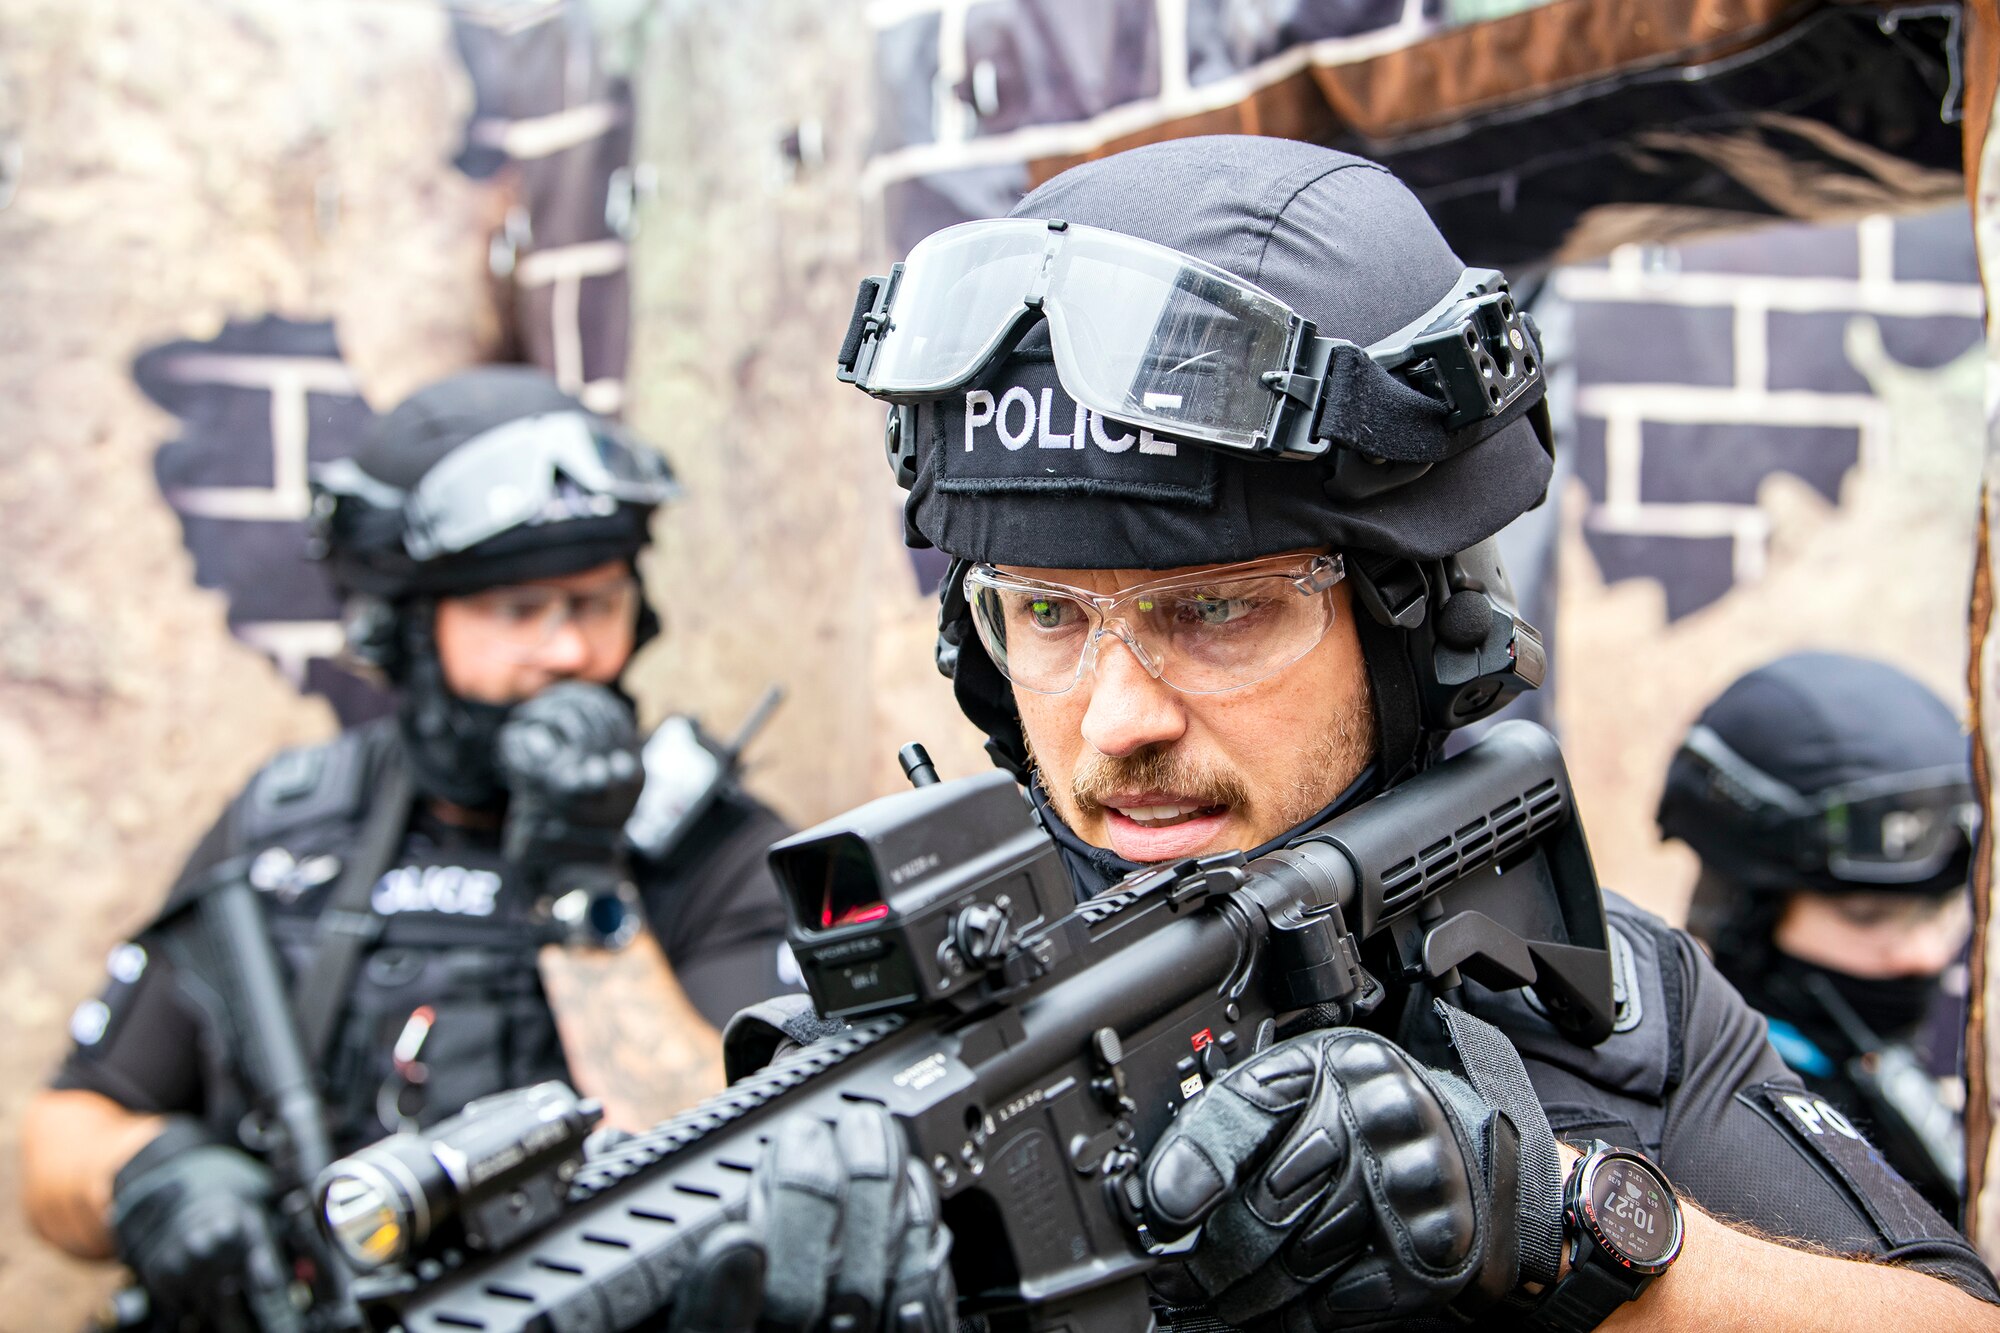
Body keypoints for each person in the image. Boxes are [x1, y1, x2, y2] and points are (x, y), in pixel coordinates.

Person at [664, 137, 2000, 1331]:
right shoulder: (883, 1090)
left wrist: (1553, 1225)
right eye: (1046, 615)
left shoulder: (1604, 1007)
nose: (1116, 719)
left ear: (1418, 623)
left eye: (1219, 609)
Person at [20, 367, 797, 1327]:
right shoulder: (288, 828)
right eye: (519, 612)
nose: (568, 653)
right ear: (408, 632)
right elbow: (64, 1134)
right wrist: (147, 1179)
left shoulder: (716, 849)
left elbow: (730, 1165)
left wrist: (580, 879)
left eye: (595, 603)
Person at [1661, 651, 1978, 1219]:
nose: (1925, 953)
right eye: (1865, 914)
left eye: (1943, 908)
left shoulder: (1890, 1079)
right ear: (1741, 913)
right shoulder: (1680, 1142)